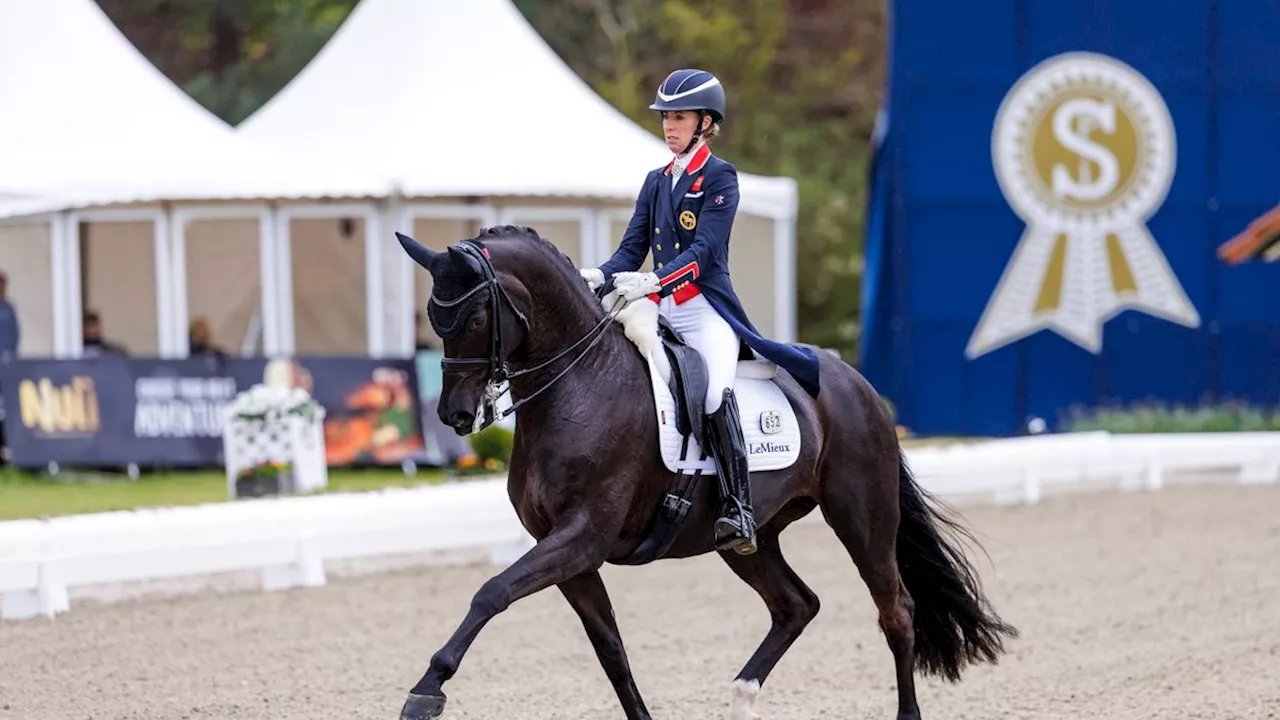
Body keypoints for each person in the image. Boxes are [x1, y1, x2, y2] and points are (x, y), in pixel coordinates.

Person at [579, 69, 822, 556]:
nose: (670, 126)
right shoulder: (656, 181)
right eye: (666, 117)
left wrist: (656, 280)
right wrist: (597, 277)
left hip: (705, 309)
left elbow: (706, 250)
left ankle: (738, 507)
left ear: (706, 122)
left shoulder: (719, 177)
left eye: (680, 117)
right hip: (661, 308)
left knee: (712, 391)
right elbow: (631, 250)